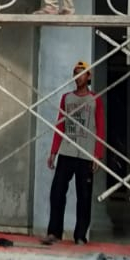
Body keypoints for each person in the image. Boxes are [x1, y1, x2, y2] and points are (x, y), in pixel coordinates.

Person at [42, 61, 105, 245]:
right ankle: (54, 232)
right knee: (57, 192)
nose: (78, 77)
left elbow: (100, 128)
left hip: (85, 154)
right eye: (76, 73)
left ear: (89, 77)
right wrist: (54, 151)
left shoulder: (95, 100)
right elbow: (60, 125)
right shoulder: (66, 98)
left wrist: (97, 155)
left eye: (82, 73)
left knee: (84, 196)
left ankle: (80, 235)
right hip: (67, 152)